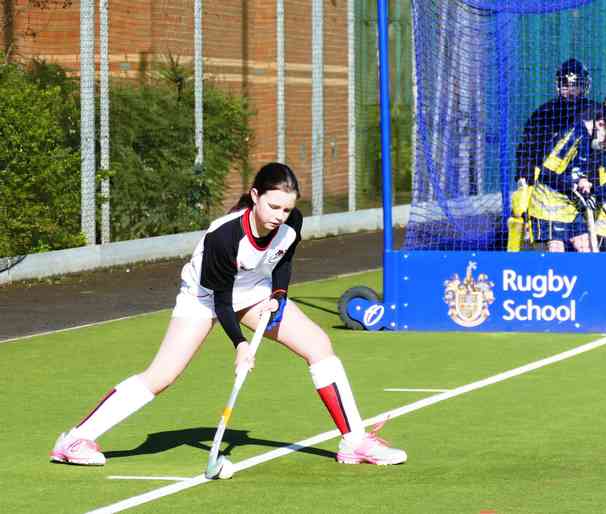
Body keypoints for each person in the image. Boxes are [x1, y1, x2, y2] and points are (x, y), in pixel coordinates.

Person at [50, 162, 407, 467]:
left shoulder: (290, 222)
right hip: (204, 297)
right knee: (162, 375)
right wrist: (240, 344)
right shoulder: (223, 237)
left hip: (253, 290)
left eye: (286, 209)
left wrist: (278, 298)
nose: (279, 216)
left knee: (318, 344)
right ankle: (75, 440)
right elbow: (221, 301)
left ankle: (354, 442)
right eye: (273, 207)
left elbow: (284, 261)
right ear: (254, 196)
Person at [508, 58, 599, 251]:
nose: (571, 91)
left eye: (577, 85)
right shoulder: (543, 114)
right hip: (550, 191)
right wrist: (524, 184)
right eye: (566, 85)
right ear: (558, 85)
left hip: (581, 192)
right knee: (554, 247)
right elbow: (526, 152)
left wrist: (592, 179)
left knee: (586, 246)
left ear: (586, 86)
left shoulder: (595, 112)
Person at [526, 101, 606, 253]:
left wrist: (588, 187)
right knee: (556, 251)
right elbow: (547, 171)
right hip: (547, 205)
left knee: (588, 248)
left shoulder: (590, 141)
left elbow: (581, 171)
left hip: (570, 205)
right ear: (600, 124)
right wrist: (574, 183)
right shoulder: (573, 135)